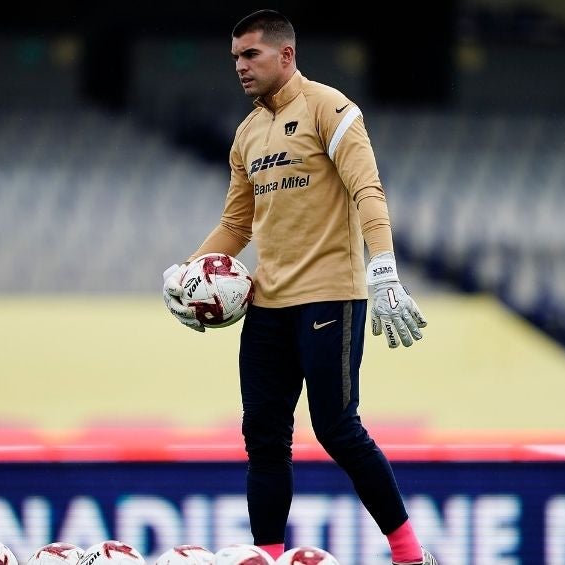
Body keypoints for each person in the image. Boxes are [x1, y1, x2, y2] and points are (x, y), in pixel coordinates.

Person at [161, 9, 434, 565]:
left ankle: (409, 556)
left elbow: (368, 191)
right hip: (268, 305)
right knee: (263, 439)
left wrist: (383, 268)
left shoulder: (330, 109)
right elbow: (237, 225)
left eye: (250, 54)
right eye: (235, 57)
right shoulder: (247, 133)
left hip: (331, 296)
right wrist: (188, 271)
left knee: (336, 429)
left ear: (286, 54)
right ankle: (266, 557)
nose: (239, 66)